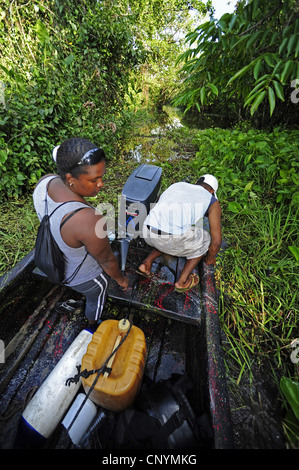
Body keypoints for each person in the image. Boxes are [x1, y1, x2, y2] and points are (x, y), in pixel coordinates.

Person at [33, 137, 129, 324]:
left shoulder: (44, 182)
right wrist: (121, 280)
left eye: (101, 176)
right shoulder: (88, 219)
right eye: (94, 179)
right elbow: (108, 261)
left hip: (52, 262)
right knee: (98, 296)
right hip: (83, 278)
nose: (101, 184)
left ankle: (77, 302)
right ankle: (93, 324)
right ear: (70, 178)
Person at [137, 174, 222, 293]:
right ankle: (182, 281)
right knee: (205, 238)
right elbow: (217, 242)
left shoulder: (177, 185)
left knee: (171, 229)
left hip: (146, 230)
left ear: (197, 182)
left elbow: (159, 206)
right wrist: (209, 259)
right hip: (169, 239)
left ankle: (146, 264)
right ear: (212, 191)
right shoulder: (212, 201)